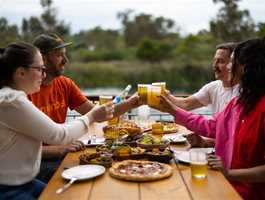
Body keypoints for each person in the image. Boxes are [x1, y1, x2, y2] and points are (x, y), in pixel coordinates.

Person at [154, 37, 265, 199]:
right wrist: (172, 110)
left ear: (246, 68)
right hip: (226, 185)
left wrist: (230, 173)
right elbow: (211, 126)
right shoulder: (240, 102)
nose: (227, 67)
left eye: (231, 62)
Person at [0, 42, 114, 199]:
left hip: (25, 182)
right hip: (7, 188)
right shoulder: (12, 100)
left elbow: (55, 130)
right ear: (21, 73)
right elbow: (58, 135)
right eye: (40, 69)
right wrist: (92, 116)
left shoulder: (11, 97)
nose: (44, 75)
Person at [29, 33, 139, 183]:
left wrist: (133, 102)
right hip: (36, 164)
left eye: (65, 55)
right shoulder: (24, 92)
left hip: (63, 154)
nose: (65, 61)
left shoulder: (64, 84)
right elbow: (19, 150)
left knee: (105, 166)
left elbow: (99, 114)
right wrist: (60, 148)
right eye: (59, 55)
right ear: (42, 58)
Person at [167, 42, 239, 147]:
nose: (215, 65)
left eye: (221, 61)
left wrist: (206, 142)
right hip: (215, 148)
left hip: (226, 153)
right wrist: (164, 95)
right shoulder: (213, 87)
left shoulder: (244, 94)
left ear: (233, 65)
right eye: (215, 60)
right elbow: (185, 104)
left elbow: (235, 136)